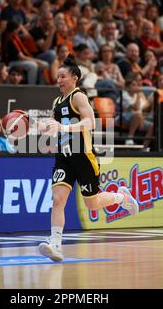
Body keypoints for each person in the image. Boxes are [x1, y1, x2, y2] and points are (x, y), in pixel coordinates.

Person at [34, 54, 140, 262]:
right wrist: (38, 126)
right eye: (58, 77)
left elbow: (91, 122)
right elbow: (53, 127)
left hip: (83, 156)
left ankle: (122, 197)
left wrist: (64, 127)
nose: (59, 80)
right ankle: (55, 244)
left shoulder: (78, 96)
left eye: (63, 76)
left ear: (75, 78)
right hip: (64, 157)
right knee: (58, 199)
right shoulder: (57, 101)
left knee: (92, 204)